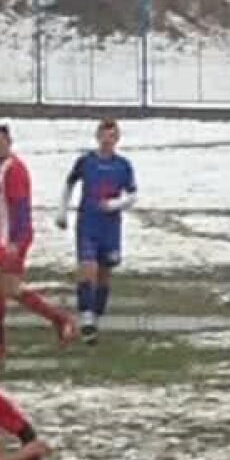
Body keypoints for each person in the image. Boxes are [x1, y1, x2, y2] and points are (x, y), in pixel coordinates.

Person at [0, 123, 76, 357]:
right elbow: (0, 210)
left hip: (14, 239)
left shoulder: (15, 170)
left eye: (0, 142)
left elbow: (21, 208)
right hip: (2, 238)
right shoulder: (1, 169)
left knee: (11, 288)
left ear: (9, 143)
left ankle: (61, 320)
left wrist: (17, 241)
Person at [56, 117, 137, 343]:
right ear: (98, 136)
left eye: (113, 136)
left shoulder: (123, 166)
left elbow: (132, 196)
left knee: (104, 275)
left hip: (110, 228)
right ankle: (87, 319)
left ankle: (96, 317)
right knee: (87, 268)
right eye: (104, 135)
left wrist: (114, 205)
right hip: (88, 223)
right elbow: (69, 183)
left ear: (117, 139)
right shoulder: (86, 162)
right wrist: (62, 211)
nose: (108, 140)